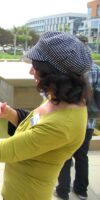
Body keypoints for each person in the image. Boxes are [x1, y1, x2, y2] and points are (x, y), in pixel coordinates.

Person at [0, 31, 92, 200]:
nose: (31, 71)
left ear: (53, 74)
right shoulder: (60, 98)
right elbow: (37, 123)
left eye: (36, 67)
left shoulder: (63, 125)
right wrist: (11, 114)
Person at [55, 35, 99, 200]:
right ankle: (81, 191)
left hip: (68, 122)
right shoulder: (95, 69)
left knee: (65, 156)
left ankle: (63, 191)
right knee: (82, 157)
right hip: (88, 122)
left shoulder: (67, 69)